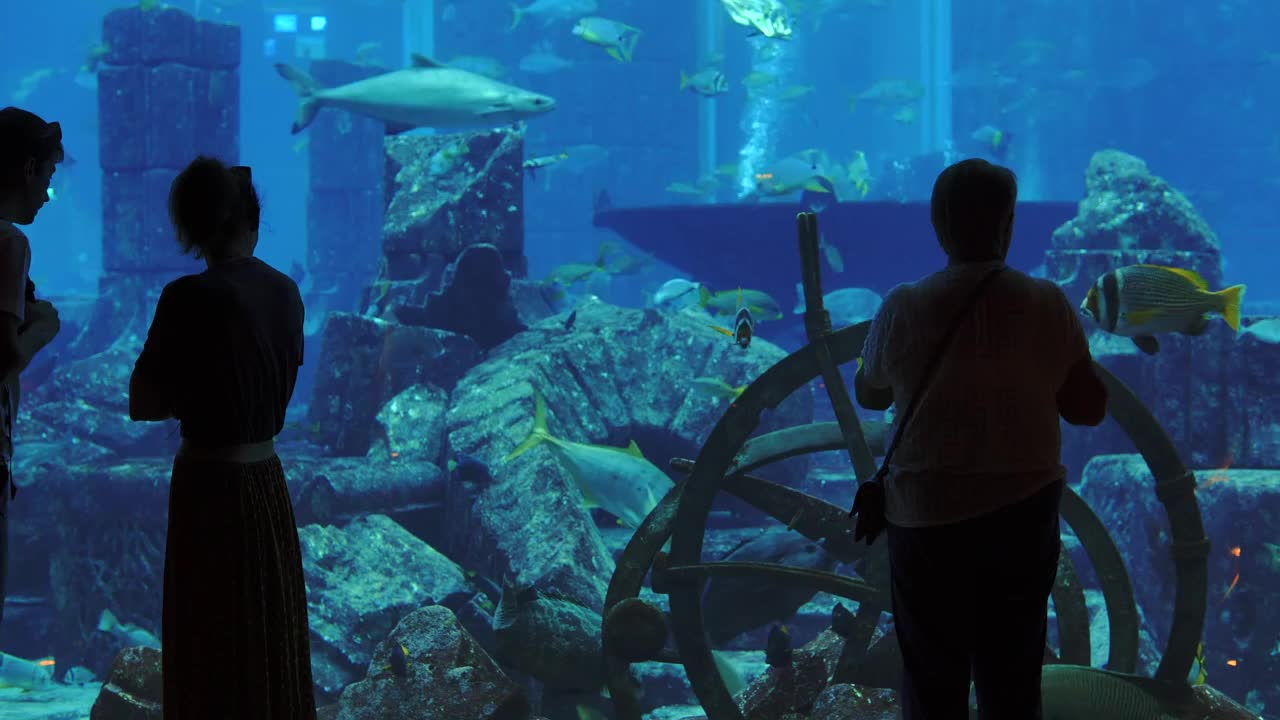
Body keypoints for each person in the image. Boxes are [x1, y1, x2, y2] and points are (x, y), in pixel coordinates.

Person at [850, 158, 1108, 720]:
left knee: (929, 679)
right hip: (1021, 518)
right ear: (1007, 223)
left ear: (938, 225)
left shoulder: (903, 305)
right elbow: (1089, 408)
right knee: (1012, 679)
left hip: (925, 519)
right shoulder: (1046, 303)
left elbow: (870, 394)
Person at [128, 156, 314, 719]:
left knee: (208, 630)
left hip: (206, 487)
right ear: (251, 224)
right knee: (267, 625)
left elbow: (143, 402)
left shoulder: (185, 298)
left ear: (190, 228)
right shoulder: (286, 292)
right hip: (266, 481)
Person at [0, 107, 64, 633]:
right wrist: (43, 326)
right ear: (26, 170)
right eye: (47, 177)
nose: (46, 195)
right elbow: (2, 357)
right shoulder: (9, 243)